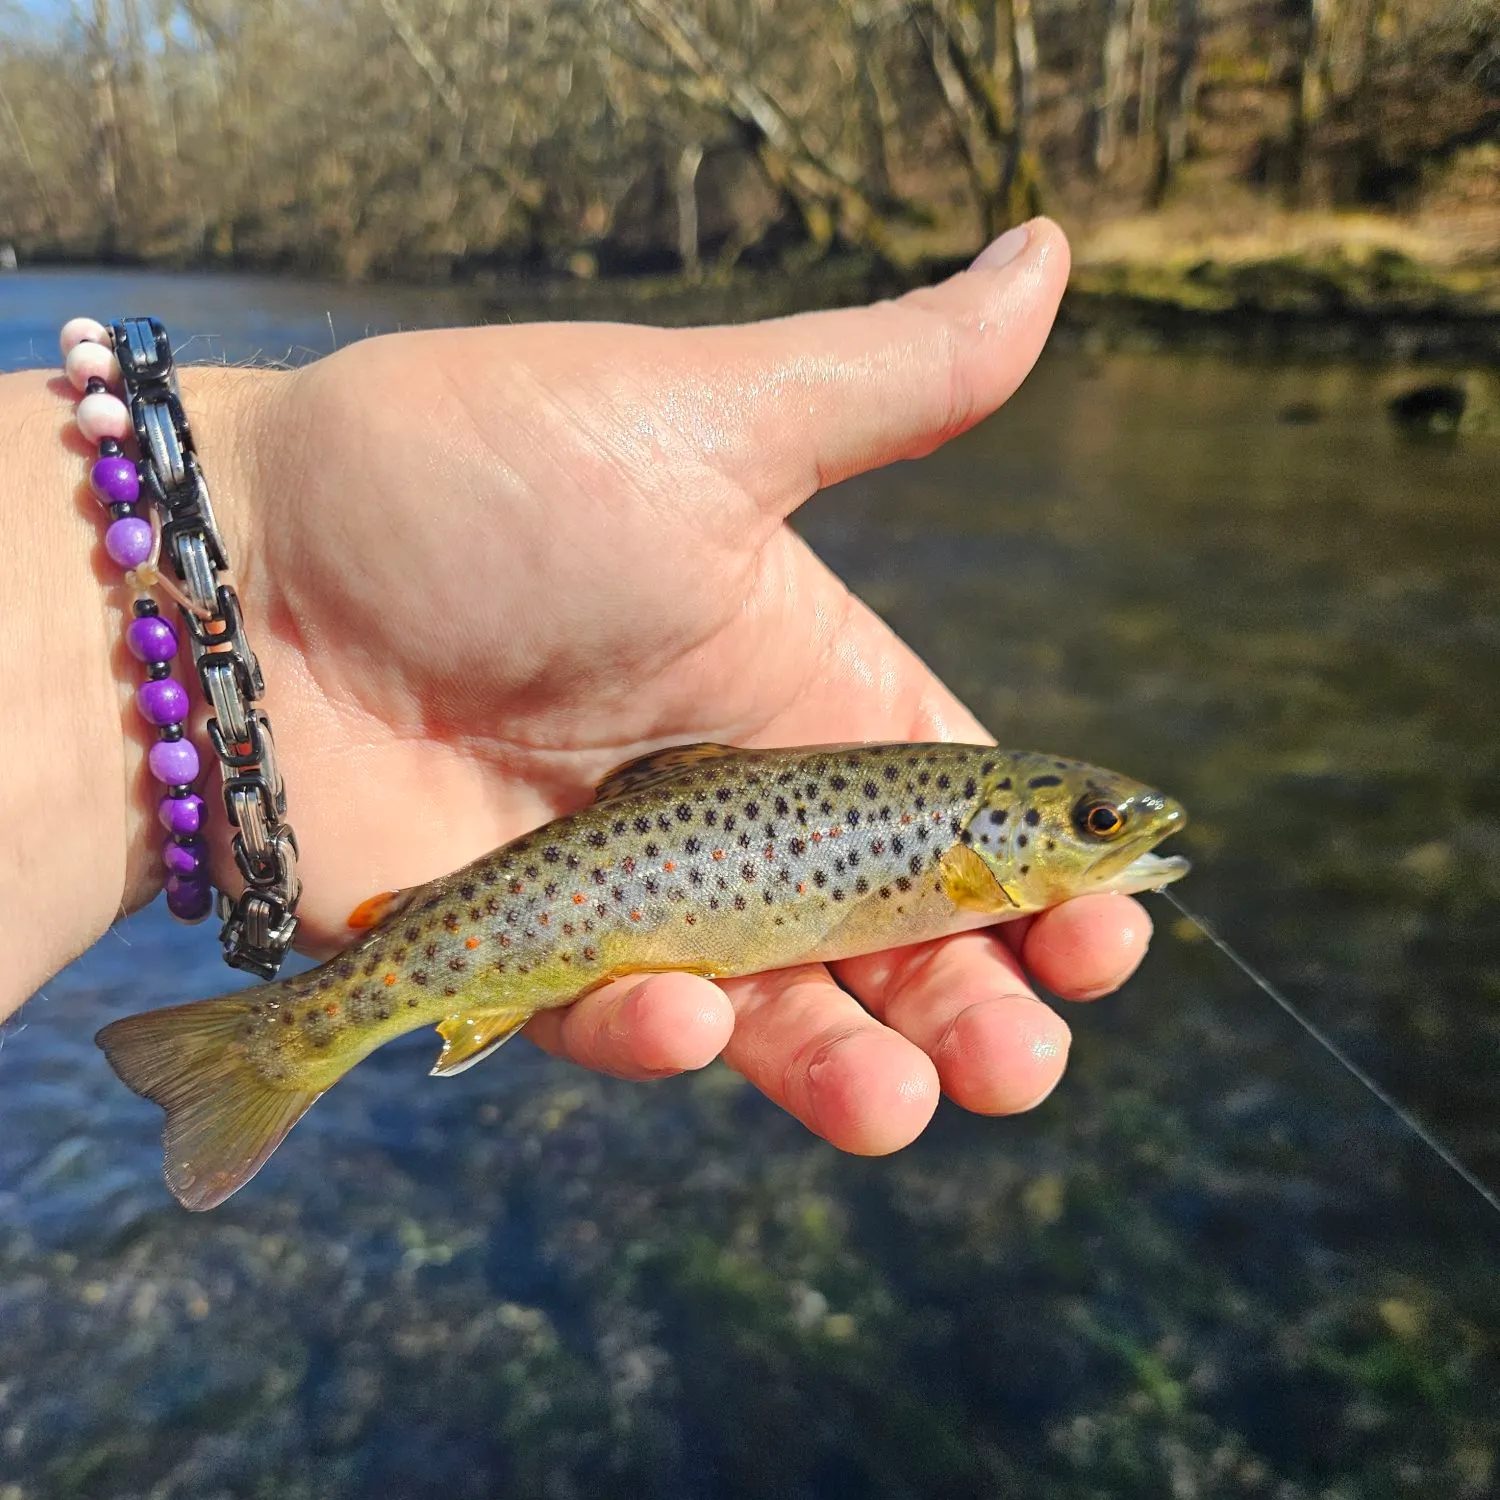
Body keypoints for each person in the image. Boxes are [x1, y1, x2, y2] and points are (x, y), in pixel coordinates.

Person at [1, 218, 1155, 1156]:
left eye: (1101, 821)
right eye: (1093, 824)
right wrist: (259, 515)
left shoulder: (957, 849)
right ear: (995, 837)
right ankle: (280, 1045)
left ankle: (294, 1035)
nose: (1116, 831)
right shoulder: (959, 858)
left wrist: (226, 527)